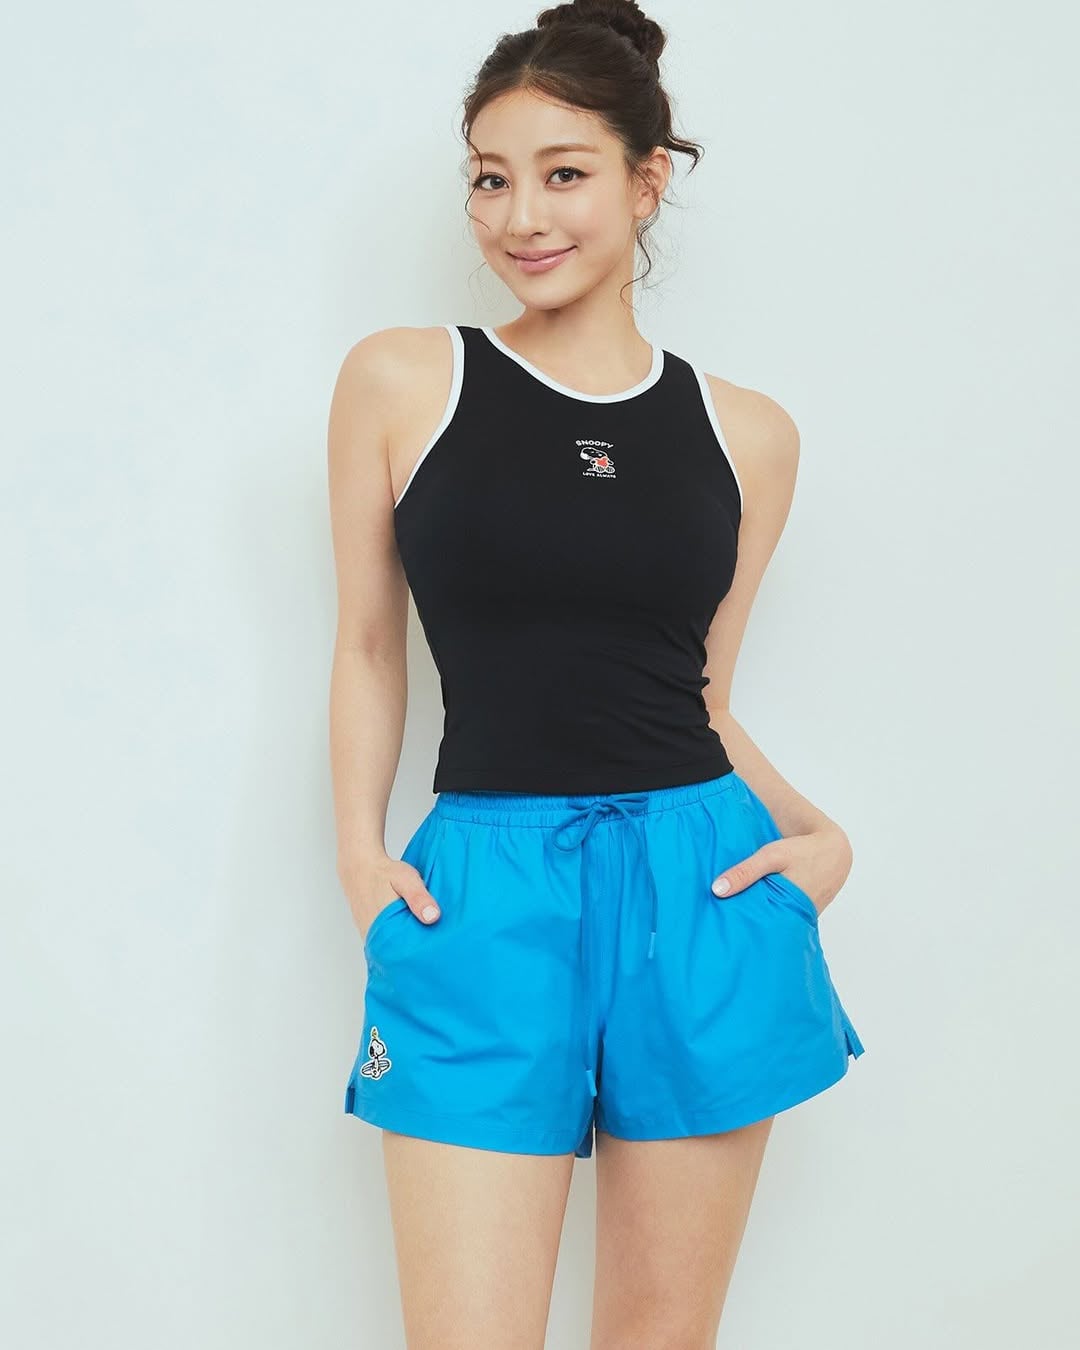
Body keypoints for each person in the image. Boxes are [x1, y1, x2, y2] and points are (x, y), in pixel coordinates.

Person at [327, 1, 865, 1344]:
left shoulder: (749, 435)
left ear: (646, 181)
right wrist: (359, 854)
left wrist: (818, 835)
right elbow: (369, 643)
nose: (520, 218)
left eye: (563, 173)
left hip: (703, 884)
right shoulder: (404, 383)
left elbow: (701, 695)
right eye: (489, 179)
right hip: (483, 888)